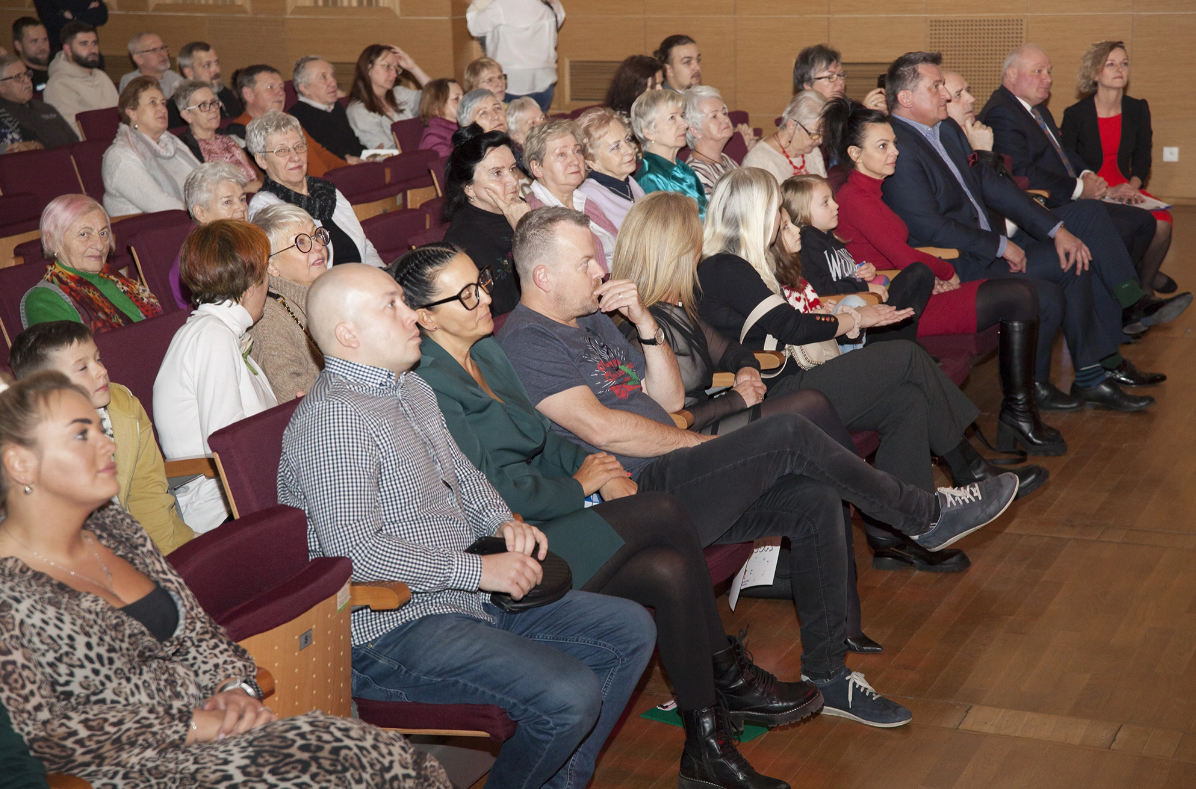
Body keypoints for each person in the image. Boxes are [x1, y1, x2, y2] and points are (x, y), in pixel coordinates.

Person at [498, 205, 1021, 728]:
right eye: (587, 262)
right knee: (791, 430)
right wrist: (694, 444)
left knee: (813, 500)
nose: (601, 271)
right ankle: (921, 516)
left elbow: (665, 396)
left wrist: (644, 324)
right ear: (544, 276)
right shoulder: (526, 341)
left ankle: (829, 676)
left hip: (673, 463)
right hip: (639, 493)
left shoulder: (590, 319)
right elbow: (604, 430)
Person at [396, 242, 821, 789]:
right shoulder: (427, 381)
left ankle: (706, 743)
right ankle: (727, 677)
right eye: (467, 294)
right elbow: (488, 487)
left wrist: (599, 468)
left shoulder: (486, 351)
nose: (485, 298)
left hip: (549, 512)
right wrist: (579, 486)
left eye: (480, 281)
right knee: (665, 511)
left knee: (668, 570)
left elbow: (545, 438)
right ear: (426, 317)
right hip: (504, 542)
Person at [277, 262, 656, 789]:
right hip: (391, 625)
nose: (412, 315)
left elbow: (464, 474)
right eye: (392, 305)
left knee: (629, 629)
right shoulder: (337, 419)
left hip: (464, 597)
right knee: (568, 693)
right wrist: (478, 571)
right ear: (348, 334)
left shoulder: (408, 388)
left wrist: (503, 522)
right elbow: (355, 553)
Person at [0, 371, 451, 789]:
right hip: (142, 768)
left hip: (222, 731)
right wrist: (195, 725)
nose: (108, 446)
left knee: (394, 760)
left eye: (100, 429)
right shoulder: (8, 590)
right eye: (82, 435)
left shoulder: (114, 529)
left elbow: (196, 629)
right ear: (20, 463)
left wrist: (232, 688)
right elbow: (48, 735)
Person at [699, 168, 1050, 497]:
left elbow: (787, 321)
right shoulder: (726, 266)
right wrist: (858, 319)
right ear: (756, 215)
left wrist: (846, 315)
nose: (781, 219)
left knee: (907, 401)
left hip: (797, 376)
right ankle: (970, 468)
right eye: (776, 209)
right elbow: (789, 326)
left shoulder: (744, 263)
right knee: (907, 356)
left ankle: (908, 524)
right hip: (778, 389)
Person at [879, 51, 1162, 411]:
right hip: (958, 263)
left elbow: (993, 186)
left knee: (1077, 242)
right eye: (936, 87)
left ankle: (1090, 373)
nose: (946, 95)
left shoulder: (945, 129)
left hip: (990, 241)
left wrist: (1055, 228)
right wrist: (1000, 245)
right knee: (1073, 263)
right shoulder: (900, 149)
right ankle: (1066, 380)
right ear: (906, 99)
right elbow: (931, 228)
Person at [821, 98, 1065, 456]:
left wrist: (934, 273)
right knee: (1020, 295)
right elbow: (903, 256)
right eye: (883, 146)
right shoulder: (856, 197)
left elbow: (902, 255)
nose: (895, 153)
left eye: (895, 144)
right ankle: (1019, 415)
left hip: (911, 291)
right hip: (896, 309)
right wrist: (946, 271)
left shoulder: (873, 190)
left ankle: (1019, 413)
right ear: (856, 154)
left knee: (1022, 294)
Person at [978, 44, 1189, 324]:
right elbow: (1022, 172)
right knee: (1118, 226)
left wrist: (1087, 173)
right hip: (1043, 205)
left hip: (1066, 194)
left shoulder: (1033, 108)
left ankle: (1123, 302)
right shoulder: (1003, 112)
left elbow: (1063, 152)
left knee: (1144, 223)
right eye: (1038, 71)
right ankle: (1126, 304)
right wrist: (1079, 189)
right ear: (1012, 75)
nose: (1048, 78)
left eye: (1049, 71)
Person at [9, 321, 194, 553]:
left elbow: (147, 490)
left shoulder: (123, 406)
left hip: (149, 545)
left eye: (97, 359)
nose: (101, 371)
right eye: (82, 368)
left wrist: (170, 561)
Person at [154, 220, 278, 533]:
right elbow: (230, 444)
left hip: (237, 493)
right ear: (251, 286)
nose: (270, 287)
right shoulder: (212, 337)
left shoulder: (217, 330)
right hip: (218, 507)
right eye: (266, 276)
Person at [1061, 41, 1176, 294]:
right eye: (1110, 64)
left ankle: (1145, 288)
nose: (1120, 69)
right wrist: (1109, 190)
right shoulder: (1075, 114)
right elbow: (1068, 165)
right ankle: (1143, 276)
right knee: (1129, 227)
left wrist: (1132, 188)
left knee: (1163, 224)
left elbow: (1143, 157)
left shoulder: (1138, 108)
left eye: (1124, 64)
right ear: (1094, 73)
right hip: (1096, 191)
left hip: (1127, 186)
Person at [784, 174, 935, 345]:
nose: (836, 205)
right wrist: (863, 286)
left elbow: (843, 274)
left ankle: (903, 344)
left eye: (832, 199)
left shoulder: (830, 239)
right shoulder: (807, 241)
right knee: (919, 272)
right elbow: (821, 288)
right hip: (849, 317)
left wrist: (864, 272)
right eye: (825, 203)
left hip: (863, 304)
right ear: (801, 211)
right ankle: (894, 345)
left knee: (920, 274)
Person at [246, 110, 383, 267]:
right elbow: (291, 271)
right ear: (262, 160)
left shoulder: (326, 190)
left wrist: (380, 273)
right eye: (282, 150)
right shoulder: (266, 207)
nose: (295, 156)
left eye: (298, 146)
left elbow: (364, 245)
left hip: (363, 281)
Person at [21, 194, 162, 331]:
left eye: (103, 233)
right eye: (84, 234)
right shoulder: (44, 300)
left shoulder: (119, 280)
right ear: (53, 242)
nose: (100, 245)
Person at [441, 125, 525, 319]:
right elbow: (507, 306)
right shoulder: (465, 239)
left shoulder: (518, 208)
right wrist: (524, 229)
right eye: (497, 173)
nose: (513, 180)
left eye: (512, 169)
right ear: (469, 188)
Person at [248, 203, 329, 400]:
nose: (318, 246)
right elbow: (291, 394)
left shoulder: (334, 293)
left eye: (316, 235)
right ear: (272, 266)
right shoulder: (269, 319)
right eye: (301, 243)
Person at [524, 119, 618, 271]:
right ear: (537, 167)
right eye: (561, 154)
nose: (575, 160)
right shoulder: (537, 215)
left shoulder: (584, 201)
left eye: (577, 151)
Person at [102, 76, 200, 215]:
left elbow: (204, 178)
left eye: (163, 103)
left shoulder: (173, 143)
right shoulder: (119, 155)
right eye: (153, 103)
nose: (162, 109)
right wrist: (205, 213)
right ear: (132, 112)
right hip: (152, 230)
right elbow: (158, 204)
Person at [167, 161, 250, 310]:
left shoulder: (245, 239)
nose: (241, 207)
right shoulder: (198, 259)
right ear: (201, 213)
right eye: (227, 202)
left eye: (242, 199)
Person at [466, 0, 565, 111]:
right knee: (538, 127)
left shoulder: (501, 6)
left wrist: (478, 4)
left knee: (508, 126)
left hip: (511, 85)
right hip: (545, 85)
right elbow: (559, 19)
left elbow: (474, 27)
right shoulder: (553, 4)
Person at [631, 88, 706, 218]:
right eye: (672, 118)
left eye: (681, 116)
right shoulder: (649, 180)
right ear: (649, 132)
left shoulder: (684, 170)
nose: (684, 124)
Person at [174, 79, 261, 191]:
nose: (213, 110)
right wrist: (247, 189)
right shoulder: (185, 149)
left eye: (214, 103)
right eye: (203, 105)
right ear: (187, 115)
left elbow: (259, 172)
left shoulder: (231, 137)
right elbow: (204, 192)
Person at [346, 44, 431, 150]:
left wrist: (413, 68)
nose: (394, 74)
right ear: (369, 68)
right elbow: (387, 151)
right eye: (387, 67)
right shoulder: (359, 111)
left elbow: (438, 97)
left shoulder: (398, 94)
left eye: (396, 69)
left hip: (417, 155)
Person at [43, 21, 117, 137]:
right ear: (67, 49)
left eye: (94, 43)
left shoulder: (101, 76)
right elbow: (73, 132)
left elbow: (121, 118)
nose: (92, 49)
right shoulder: (59, 84)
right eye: (84, 44)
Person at [576, 106, 644, 229]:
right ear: (592, 161)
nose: (629, 150)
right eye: (615, 147)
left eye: (627, 140)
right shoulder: (589, 199)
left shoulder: (629, 181)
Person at [288, 56, 366, 164]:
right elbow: (316, 159)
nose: (333, 82)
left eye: (332, 75)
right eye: (323, 77)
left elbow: (351, 144)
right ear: (305, 88)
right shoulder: (297, 118)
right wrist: (345, 160)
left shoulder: (335, 107)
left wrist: (369, 154)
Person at [683, 85, 757, 196]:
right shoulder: (696, 173)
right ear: (695, 130)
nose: (725, 119)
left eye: (724, 113)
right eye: (714, 116)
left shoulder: (725, 159)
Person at [741, 90, 826, 182]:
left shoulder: (814, 152)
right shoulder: (758, 161)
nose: (820, 140)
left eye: (823, 132)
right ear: (791, 126)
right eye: (814, 134)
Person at [0, 52, 78, 151]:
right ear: (1, 87)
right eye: (18, 77)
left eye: (27, 74)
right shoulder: (3, 118)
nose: (28, 81)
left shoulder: (46, 109)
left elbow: (75, 144)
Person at [793, 43, 886, 112]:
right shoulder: (802, 120)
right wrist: (863, 117)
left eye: (841, 75)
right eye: (830, 77)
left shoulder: (850, 108)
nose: (840, 82)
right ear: (808, 86)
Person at [176, 41, 242, 120]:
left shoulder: (226, 94)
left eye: (216, 62)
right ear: (190, 73)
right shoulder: (178, 107)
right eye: (207, 65)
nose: (216, 70)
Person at [32, 0, 107, 63]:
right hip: (58, 48)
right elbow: (50, 19)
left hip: (88, 49)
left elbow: (102, 15)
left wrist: (73, 16)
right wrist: (86, 13)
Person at [118, 32, 181, 97]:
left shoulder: (172, 76)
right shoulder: (131, 81)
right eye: (154, 50)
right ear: (139, 58)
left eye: (162, 48)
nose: (162, 54)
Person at [416, 77, 462, 156]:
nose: (464, 102)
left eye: (463, 97)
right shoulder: (433, 138)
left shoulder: (462, 127)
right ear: (436, 108)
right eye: (456, 99)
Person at [11, 18, 50, 92]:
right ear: (18, 45)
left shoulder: (59, 66)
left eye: (44, 40)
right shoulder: (21, 80)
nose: (42, 46)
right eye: (34, 41)